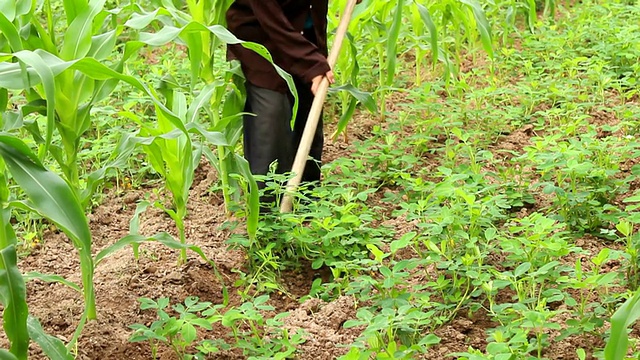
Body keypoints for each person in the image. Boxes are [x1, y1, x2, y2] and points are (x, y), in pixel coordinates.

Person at [225, 0, 336, 211]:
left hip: (306, 36)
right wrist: (310, 63)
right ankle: (267, 216)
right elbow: (270, 17)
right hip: (262, 39)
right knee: (271, 114)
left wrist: (311, 60)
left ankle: (307, 209)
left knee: (308, 115)